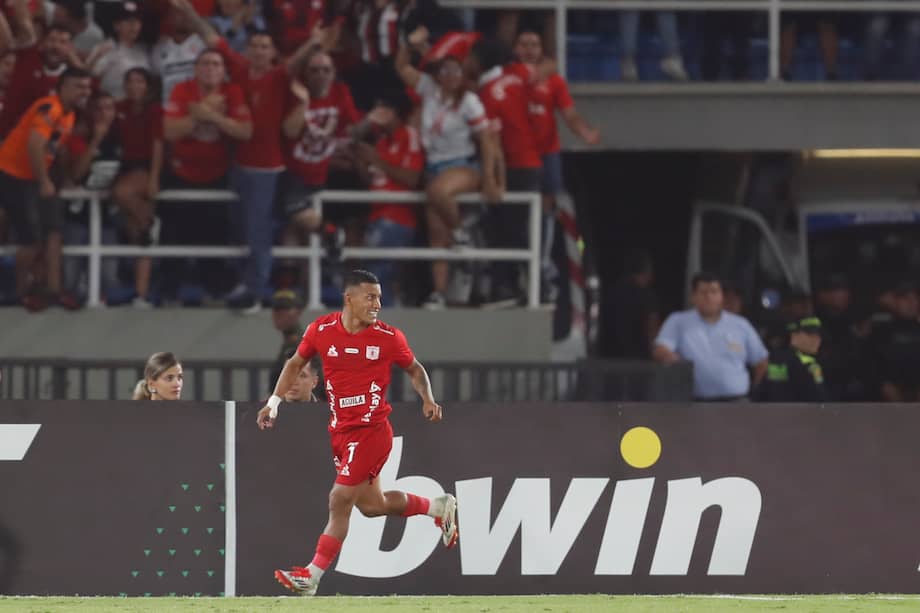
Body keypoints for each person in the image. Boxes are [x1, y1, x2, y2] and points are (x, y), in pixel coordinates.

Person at [256, 269, 458, 596]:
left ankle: (312, 575)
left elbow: (415, 369)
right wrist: (275, 402)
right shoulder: (321, 330)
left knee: (340, 499)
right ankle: (437, 506)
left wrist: (428, 398)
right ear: (349, 299)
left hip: (372, 432)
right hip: (341, 432)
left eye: (379, 297)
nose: (377, 303)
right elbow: (294, 364)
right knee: (373, 505)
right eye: (370, 297)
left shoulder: (389, 337)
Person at [395, 29, 499, 308]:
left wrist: (489, 178)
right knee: (435, 236)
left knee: (437, 191)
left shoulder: (470, 101)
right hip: (435, 165)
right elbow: (401, 67)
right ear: (439, 73)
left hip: (463, 165)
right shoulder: (428, 89)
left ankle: (461, 234)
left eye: (456, 70)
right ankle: (439, 294)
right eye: (446, 69)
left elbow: (487, 142)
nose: (452, 75)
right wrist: (410, 44)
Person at [512, 28, 599, 301]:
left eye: (534, 44)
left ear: (542, 49)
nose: (529, 49)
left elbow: (569, 114)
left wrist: (584, 132)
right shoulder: (510, 76)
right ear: (515, 48)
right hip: (517, 155)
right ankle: (520, 263)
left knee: (547, 207)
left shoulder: (554, 81)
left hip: (547, 153)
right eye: (524, 43)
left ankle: (542, 258)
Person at [0, 66, 90, 308]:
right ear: (63, 87)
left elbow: (54, 149)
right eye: (78, 87)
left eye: (86, 87)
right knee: (30, 240)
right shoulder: (50, 108)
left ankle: (53, 289)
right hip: (12, 174)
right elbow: (34, 145)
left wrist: (61, 178)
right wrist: (44, 181)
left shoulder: (69, 116)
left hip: (36, 177)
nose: (84, 92)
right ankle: (20, 293)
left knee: (53, 231)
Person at [353, 90, 423, 306]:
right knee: (371, 275)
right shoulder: (381, 141)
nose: (377, 114)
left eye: (383, 109)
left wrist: (376, 159)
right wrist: (361, 160)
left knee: (378, 277)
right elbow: (372, 179)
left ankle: (386, 325)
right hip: (376, 215)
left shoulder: (408, 135)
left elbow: (412, 178)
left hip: (397, 218)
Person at [653, 271, 769, 401]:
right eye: (703, 292)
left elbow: (761, 361)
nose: (709, 297)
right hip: (692, 403)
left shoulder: (740, 325)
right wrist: (679, 365)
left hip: (737, 402)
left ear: (721, 296)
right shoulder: (678, 321)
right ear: (693, 297)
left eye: (714, 292)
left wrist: (754, 390)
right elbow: (661, 349)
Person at [110, 67, 164, 308]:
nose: (134, 86)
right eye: (130, 81)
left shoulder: (155, 111)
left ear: (147, 86)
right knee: (138, 235)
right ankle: (141, 296)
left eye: (139, 81)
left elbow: (158, 144)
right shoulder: (118, 108)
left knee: (122, 194)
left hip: (144, 167)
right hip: (124, 166)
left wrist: (154, 178)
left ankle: (150, 223)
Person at [84, 1, 150, 100]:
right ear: (116, 25)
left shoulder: (143, 50)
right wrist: (96, 57)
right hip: (112, 107)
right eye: (128, 21)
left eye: (137, 21)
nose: (134, 25)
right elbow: (87, 75)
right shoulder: (105, 49)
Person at [756, 317, 827, 402]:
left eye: (819, 336)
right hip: (801, 413)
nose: (817, 339)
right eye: (810, 334)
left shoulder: (775, 358)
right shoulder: (808, 364)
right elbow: (819, 398)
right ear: (794, 335)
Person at [270, 288, 306, 384]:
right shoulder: (289, 342)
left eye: (286, 309)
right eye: (276, 309)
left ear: (298, 312)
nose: (279, 314)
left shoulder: (302, 345)